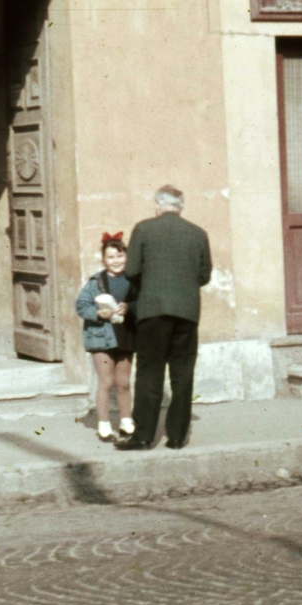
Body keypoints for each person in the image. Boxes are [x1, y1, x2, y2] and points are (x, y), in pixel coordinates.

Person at [120, 185, 212, 450]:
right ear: (180, 207)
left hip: (153, 309)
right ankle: (177, 436)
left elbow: (131, 270)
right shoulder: (198, 233)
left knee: (150, 371)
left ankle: (143, 436)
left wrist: (152, 284)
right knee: (182, 373)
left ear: (157, 206)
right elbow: (204, 274)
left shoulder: (144, 229)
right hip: (187, 311)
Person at [75, 232, 138, 443]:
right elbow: (81, 305)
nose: (116, 261)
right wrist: (97, 313)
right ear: (103, 260)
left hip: (125, 334)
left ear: (126, 257)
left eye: (120, 256)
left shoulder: (132, 280)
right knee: (106, 380)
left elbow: (141, 301)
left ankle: (126, 421)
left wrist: (129, 307)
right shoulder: (95, 282)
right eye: (111, 257)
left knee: (123, 382)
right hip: (100, 337)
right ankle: (103, 425)